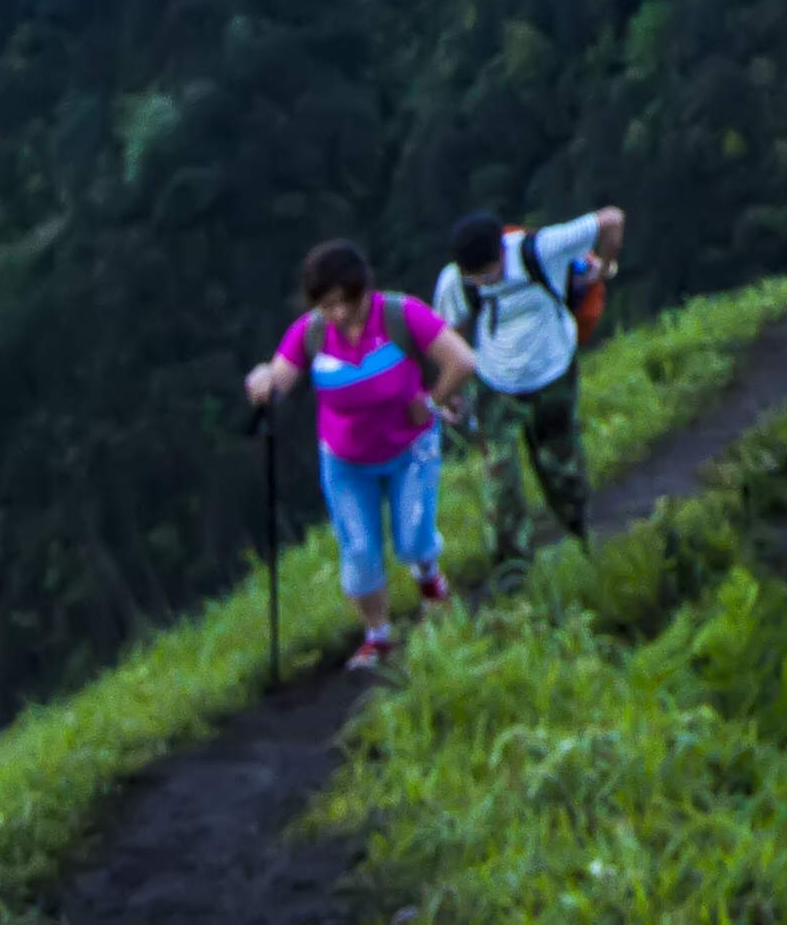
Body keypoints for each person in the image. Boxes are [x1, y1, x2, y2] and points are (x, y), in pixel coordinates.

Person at [240, 238, 479, 673]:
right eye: (326, 305)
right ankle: (378, 635)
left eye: (344, 302)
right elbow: (279, 377)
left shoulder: (401, 314)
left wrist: (430, 401)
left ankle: (429, 580)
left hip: (410, 448)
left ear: (363, 289)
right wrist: (263, 381)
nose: (337, 313)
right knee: (360, 554)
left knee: (413, 538)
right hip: (345, 461)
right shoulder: (311, 333)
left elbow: (462, 360)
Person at [432, 201, 624, 582]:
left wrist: (603, 268)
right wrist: (452, 390)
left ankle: (582, 537)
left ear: (501, 251)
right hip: (496, 382)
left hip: (552, 372)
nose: (483, 283)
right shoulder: (455, 281)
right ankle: (512, 570)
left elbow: (612, 220)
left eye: (487, 273)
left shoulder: (542, 249)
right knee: (500, 477)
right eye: (474, 278)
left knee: (560, 465)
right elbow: (448, 331)